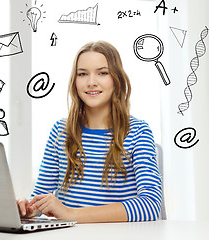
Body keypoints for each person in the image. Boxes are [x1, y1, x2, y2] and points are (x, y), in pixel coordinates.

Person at [17, 41, 162, 223]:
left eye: (102, 73)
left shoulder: (138, 132)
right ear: (75, 81)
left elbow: (151, 205)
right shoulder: (60, 132)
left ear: (116, 79)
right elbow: (40, 198)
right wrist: (29, 209)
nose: (91, 82)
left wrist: (71, 214)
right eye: (82, 74)